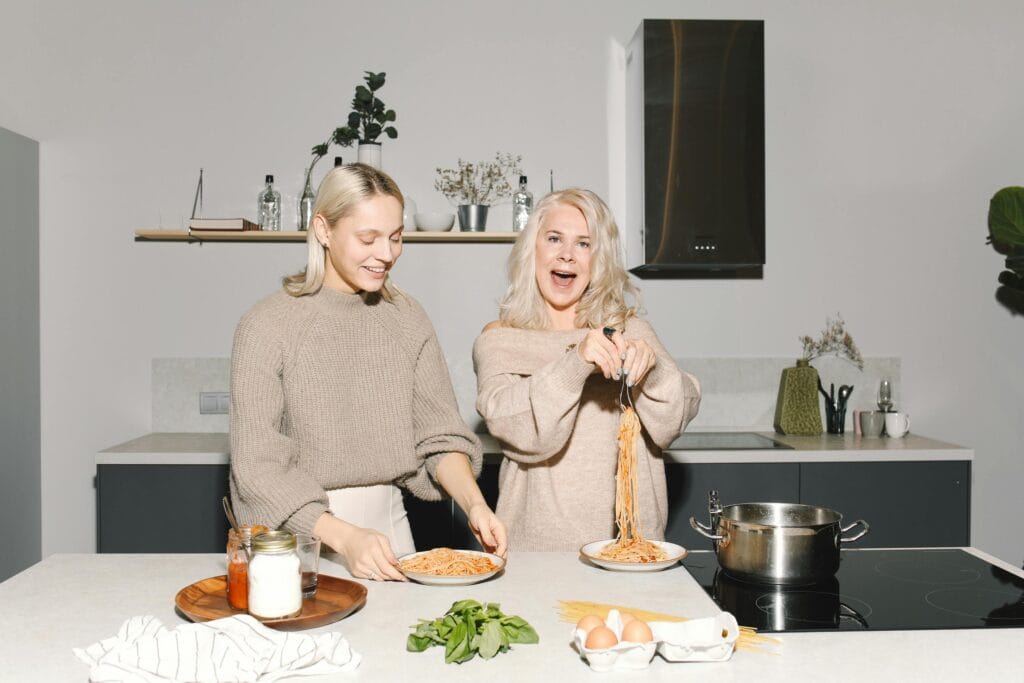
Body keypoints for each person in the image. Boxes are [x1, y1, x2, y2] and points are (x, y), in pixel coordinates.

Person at [230, 163, 506, 582]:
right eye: (368, 238)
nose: (387, 254)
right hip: (297, 547)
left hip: (391, 538)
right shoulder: (266, 325)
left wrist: (475, 504)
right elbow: (258, 469)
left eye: (396, 237)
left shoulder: (407, 318)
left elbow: (440, 437)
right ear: (323, 230)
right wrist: (344, 536)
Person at [472, 188, 700, 551]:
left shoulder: (630, 330)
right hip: (538, 550)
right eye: (554, 239)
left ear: (600, 259)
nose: (566, 254)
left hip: (630, 550)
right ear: (533, 249)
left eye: (584, 244)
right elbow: (517, 428)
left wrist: (651, 370)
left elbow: (673, 420)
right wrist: (577, 360)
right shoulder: (501, 338)